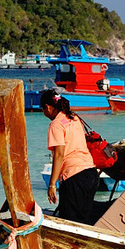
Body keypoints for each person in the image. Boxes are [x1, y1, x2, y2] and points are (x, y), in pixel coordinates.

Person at [39, 89, 100, 223]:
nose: (44, 112)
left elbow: (59, 154)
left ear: (48, 107)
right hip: (90, 173)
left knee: (70, 222)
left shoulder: (56, 125)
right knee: (84, 221)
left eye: (42, 109)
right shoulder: (74, 118)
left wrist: (52, 185)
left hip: (74, 177)